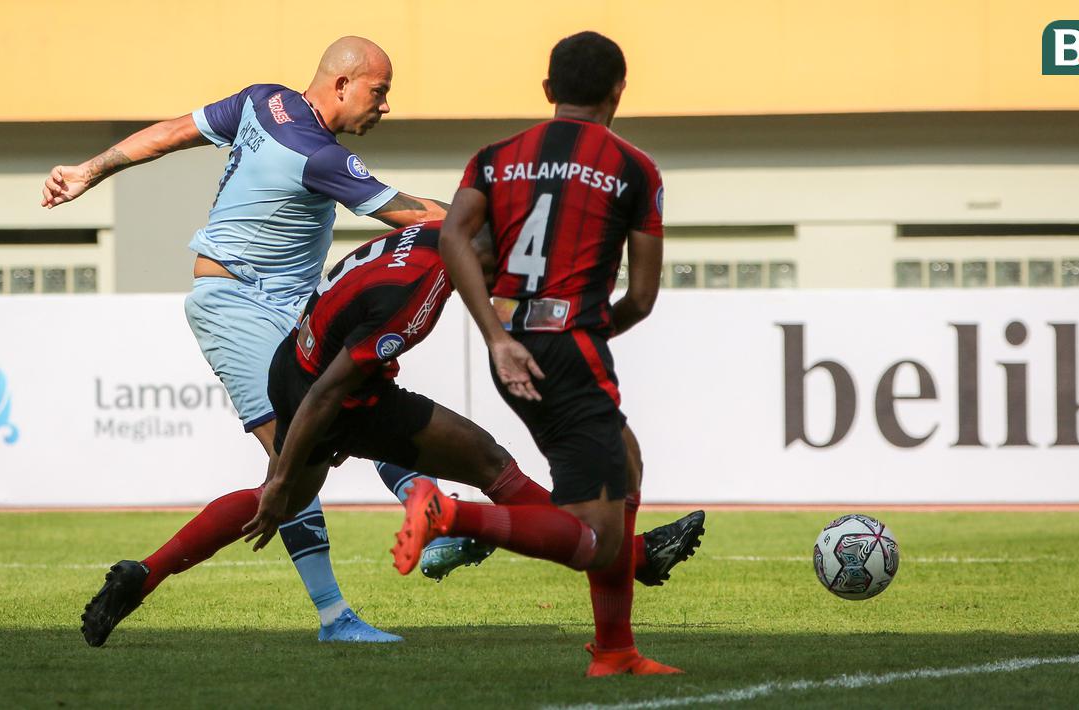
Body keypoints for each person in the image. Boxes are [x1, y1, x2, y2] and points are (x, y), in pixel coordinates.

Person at [41, 36, 485, 646]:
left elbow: (171, 132)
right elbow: (410, 213)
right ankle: (337, 612)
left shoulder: (261, 101)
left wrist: (89, 169)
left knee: (352, 416)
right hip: (235, 306)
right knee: (296, 461)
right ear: (341, 85)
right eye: (379, 92)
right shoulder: (316, 153)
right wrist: (490, 220)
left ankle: (430, 516)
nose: (384, 106)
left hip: (292, 305)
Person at [240, 221, 704, 612]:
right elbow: (326, 394)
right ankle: (629, 557)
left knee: (273, 501)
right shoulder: (414, 297)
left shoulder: (437, 234)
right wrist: (288, 475)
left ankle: (161, 569)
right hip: (327, 395)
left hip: (304, 368)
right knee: (282, 496)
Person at [404, 31, 680, 676]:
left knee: (625, 462)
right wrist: (583, 333)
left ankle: (615, 650)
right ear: (619, 89)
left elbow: (452, 236)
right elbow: (640, 297)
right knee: (597, 538)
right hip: (571, 349)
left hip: (511, 346)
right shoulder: (634, 168)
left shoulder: (494, 158)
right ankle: (451, 515)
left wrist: (498, 335)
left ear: (549, 91)